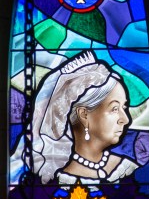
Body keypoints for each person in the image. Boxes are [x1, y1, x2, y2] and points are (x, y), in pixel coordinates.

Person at [25, 51, 138, 185]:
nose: (125, 120)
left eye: (123, 108)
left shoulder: (129, 171)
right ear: (84, 115)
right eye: (114, 109)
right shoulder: (54, 182)